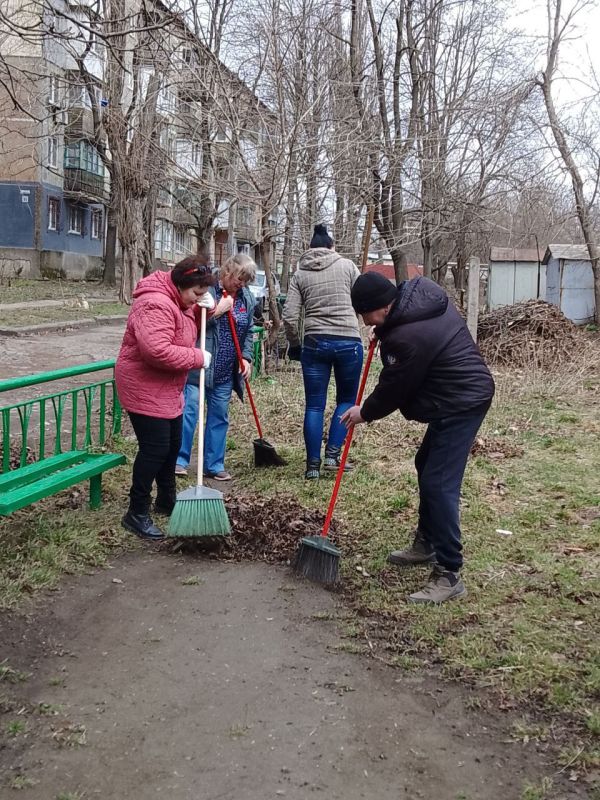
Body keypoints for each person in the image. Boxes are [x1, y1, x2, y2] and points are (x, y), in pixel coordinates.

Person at [341, 272, 495, 604]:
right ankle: (427, 543)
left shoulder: (408, 336)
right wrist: (383, 331)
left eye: (363, 313)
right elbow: (401, 337)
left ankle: (449, 571)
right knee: (425, 463)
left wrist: (363, 412)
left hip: (463, 400)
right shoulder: (417, 298)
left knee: (438, 483)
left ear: (379, 307)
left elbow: (396, 386)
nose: (362, 319)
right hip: (456, 392)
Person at [115, 257, 216, 540]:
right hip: (143, 386)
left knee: (172, 445)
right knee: (155, 449)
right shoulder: (155, 303)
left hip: (167, 387)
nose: (197, 298)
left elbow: (180, 329)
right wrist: (198, 357)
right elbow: (156, 350)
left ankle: (166, 500)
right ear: (180, 284)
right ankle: (136, 512)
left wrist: (201, 309)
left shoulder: (178, 301)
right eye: (196, 293)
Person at [282, 223, 363, 480]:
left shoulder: (300, 274)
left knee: (314, 405)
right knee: (346, 400)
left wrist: (295, 345)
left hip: (315, 343)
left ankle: (312, 465)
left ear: (310, 249)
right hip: (349, 341)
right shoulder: (348, 266)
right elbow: (366, 299)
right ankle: (333, 455)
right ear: (332, 247)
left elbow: (290, 316)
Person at [175, 253, 256, 481]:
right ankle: (179, 460)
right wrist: (219, 309)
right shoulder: (206, 291)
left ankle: (214, 464)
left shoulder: (246, 298)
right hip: (198, 368)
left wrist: (246, 358)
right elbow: (190, 323)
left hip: (225, 370)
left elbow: (248, 331)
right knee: (190, 411)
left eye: (246, 281)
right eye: (239, 278)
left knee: (219, 416)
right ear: (227, 271)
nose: (241, 284)